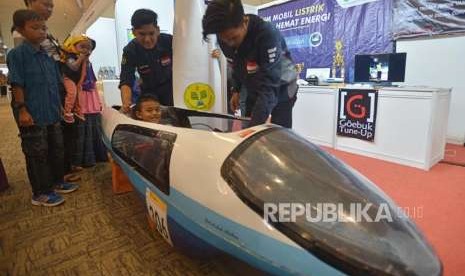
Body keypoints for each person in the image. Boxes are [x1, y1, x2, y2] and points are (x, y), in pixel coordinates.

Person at [7, 9, 78, 206]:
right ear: (21, 29)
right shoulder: (17, 55)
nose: (41, 32)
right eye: (35, 28)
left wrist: (61, 107)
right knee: (37, 152)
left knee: (56, 148)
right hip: (32, 113)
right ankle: (41, 193)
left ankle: (57, 182)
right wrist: (22, 109)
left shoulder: (48, 56)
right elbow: (17, 84)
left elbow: (56, 83)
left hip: (52, 111)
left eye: (44, 28)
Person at [202, 0, 298, 128]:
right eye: (224, 39)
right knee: (247, 126)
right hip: (254, 87)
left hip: (282, 87)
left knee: (279, 135)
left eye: (234, 38)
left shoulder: (267, 34)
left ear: (245, 22)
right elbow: (236, 63)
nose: (229, 43)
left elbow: (269, 87)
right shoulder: (225, 35)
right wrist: (236, 90)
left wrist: (253, 128)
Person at [119, 9, 173, 113]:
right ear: (134, 32)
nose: (147, 39)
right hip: (149, 95)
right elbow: (126, 79)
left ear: (157, 30)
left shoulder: (170, 41)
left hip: (172, 91)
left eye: (151, 33)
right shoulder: (130, 50)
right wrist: (126, 103)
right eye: (142, 34)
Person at [73, 40, 108, 168]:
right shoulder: (74, 64)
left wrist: (99, 101)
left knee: (94, 128)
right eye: (83, 47)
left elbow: (92, 82)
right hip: (82, 98)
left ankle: (97, 156)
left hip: (91, 98)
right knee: (83, 131)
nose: (86, 51)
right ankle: (82, 160)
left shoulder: (89, 63)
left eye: (89, 48)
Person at [60, 34, 93, 123]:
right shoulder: (70, 56)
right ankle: (67, 112)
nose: (85, 50)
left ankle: (78, 111)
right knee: (72, 93)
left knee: (79, 94)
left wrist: (81, 82)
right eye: (82, 47)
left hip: (77, 80)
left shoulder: (83, 58)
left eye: (87, 48)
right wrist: (81, 59)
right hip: (67, 78)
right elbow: (74, 67)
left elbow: (84, 72)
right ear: (74, 46)